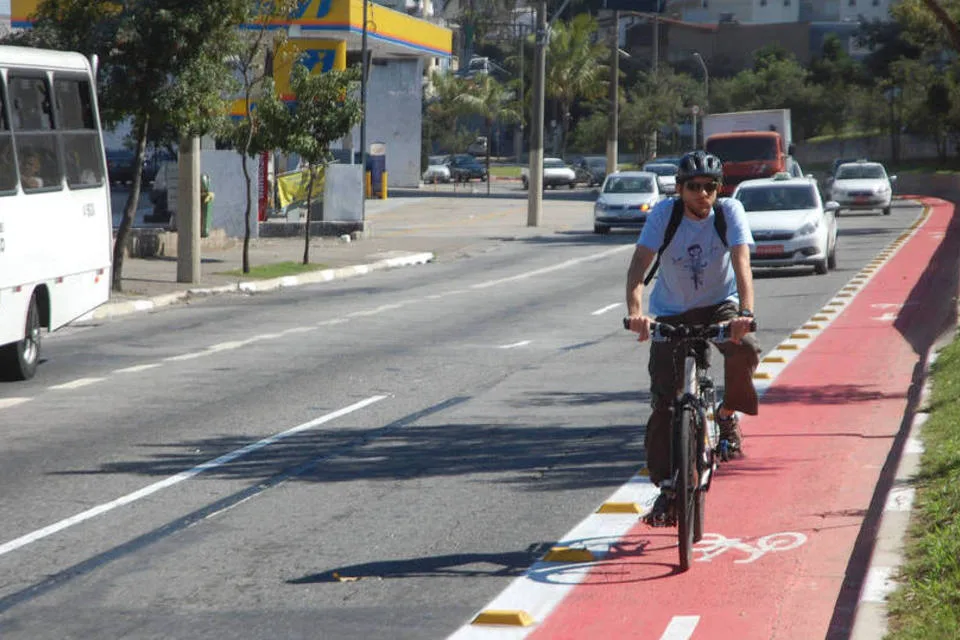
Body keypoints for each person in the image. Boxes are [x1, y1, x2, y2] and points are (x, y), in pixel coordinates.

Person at [624, 150, 761, 526]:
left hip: (720, 304)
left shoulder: (729, 212)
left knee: (745, 348)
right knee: (664, 403)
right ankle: (668, 488)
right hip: (670, 310)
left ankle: (727, 413)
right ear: (680, 189)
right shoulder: (664, 216)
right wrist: (637, 313)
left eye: (710, 186)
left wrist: (745, 314)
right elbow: (638, 266)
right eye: (694, 187)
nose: (703, 194)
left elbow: (742, 262)